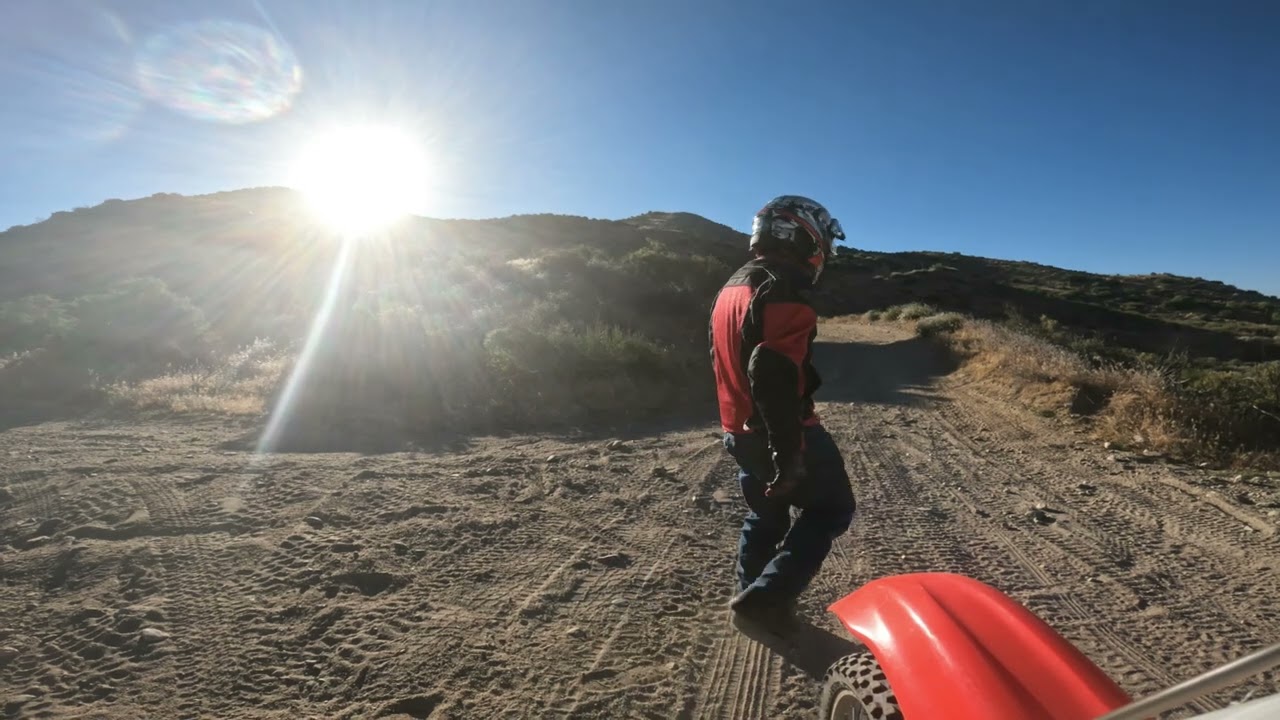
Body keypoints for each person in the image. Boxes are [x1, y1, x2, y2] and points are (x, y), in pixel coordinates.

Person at [709, 195, 857, 624]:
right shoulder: (784, 286)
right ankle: (768, 597)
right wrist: (788, 451)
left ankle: (750, 594)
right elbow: (771, 368)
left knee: (766, 514)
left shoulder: (732, 285)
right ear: (807, 235)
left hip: (737, 429)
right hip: (783, 430)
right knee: (831, 508)